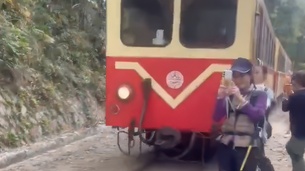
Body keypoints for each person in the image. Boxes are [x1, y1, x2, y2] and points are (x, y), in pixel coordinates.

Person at [212, 57, 268, 171]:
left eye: (241, 76)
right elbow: (216, 117)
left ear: (250, 76)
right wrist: (220, 97)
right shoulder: (229, 95)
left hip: (247, 147)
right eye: (234, 76)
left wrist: (240, 99)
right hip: (226, 145)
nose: (237, 80)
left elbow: (257, 116)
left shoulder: (259, 95)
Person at [282, 70, 305, 171]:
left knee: (293, 150)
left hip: (299, 132)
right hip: (301, 132)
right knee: (294, 150)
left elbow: (284, 108)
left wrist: (286, 96)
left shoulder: (295, 97)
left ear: (296, 82)